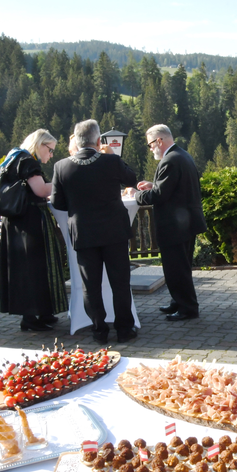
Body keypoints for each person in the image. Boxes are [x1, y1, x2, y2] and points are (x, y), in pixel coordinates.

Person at [51, 120, 139, 344]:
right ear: (99, 140)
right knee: (120, 282)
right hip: (114, 231)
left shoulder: (61, 166)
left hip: (84, 232)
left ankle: (99, 331)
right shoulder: (111, 161)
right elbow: (131, 179)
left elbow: (58, 203)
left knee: (91, 286)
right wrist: (111, 155)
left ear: (77, 141)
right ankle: (124, 329)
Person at [0, 129, 68, 331]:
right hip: (28, 223)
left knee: (29, 267)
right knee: (33, 268)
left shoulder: (15, 157)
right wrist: (65, 182)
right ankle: (30, 316)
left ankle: (42, 311)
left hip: (19, 222)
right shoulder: (28, 161)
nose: (51, 155)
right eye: (50, 150)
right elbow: (41, 190)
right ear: (40, 145)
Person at [134, 125, 207, 321]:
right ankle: (178, 302)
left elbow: (159, 195)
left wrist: (136, 195)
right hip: (186, 222)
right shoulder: (182, 155)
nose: (150, 149)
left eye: (150, 144)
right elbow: (173, 187)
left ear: (159, 141)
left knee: (176, 269)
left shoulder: (170, 160)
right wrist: (153, 185)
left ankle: (187, 308)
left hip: (176, 225)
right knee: (180, 267)